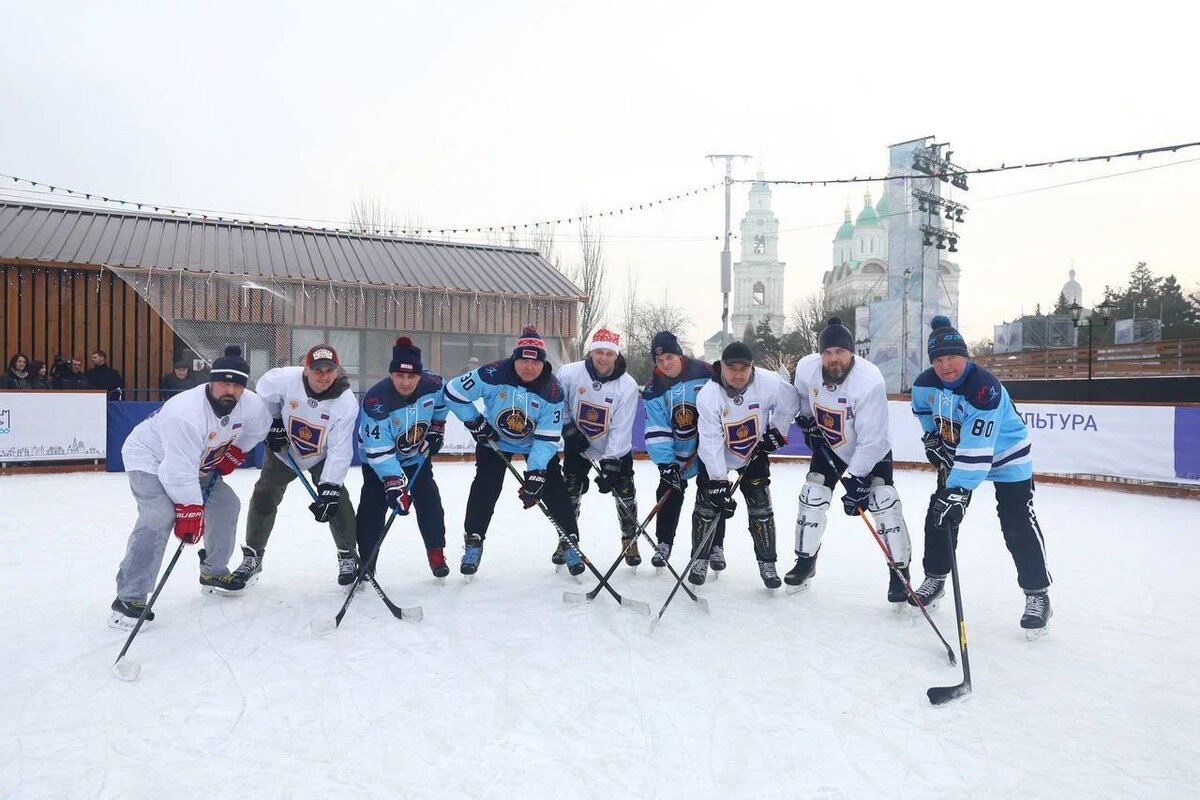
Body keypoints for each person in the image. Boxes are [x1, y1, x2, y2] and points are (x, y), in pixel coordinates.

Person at [910, 315, 1053, 635]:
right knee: (940, 514)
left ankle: (1037, 594)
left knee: (1016, 521)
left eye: (952, 357)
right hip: (959, 454)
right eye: (939, 359)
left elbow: (978, 447)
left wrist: (958, 489)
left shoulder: (983, 389)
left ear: (966, 356)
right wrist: (932, 437)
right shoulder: (924, 383)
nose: (946, 366)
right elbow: (922, 410)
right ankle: (935, 577)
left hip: (1006, 456)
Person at [110, 346, 270, 629]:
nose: (229, 390)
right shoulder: (185, 413)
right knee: (159, 515)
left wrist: (237, 452)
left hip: (197, 461)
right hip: (150, 458)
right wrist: (190, 510)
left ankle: (213, 572)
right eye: (223, 382)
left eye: (237, 384)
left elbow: (258, 428)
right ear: (210, 381)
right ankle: (128, 597)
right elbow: (176, 470)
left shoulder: (253, 405)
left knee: (226, 504)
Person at [788, 318, 912, 604]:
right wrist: (807, 419)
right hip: (830, 444)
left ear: (852, 353)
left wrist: (856, 478)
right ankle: (805, 562)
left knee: (883, 501)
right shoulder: (808, 367)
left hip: (871, 449)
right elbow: (802, 393)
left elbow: (874, 441)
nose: (833, 359)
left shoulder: (869, 382)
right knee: (812, 494)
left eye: (840, 352)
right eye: (827, 353)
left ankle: (900, 575)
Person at [444, 325, 580, 576]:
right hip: (494, 438)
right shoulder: (492, 373)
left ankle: (570, 541)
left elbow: (548, 437)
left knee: (554, 488)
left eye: (535, 361)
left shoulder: (553, 390)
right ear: (515, 358)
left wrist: (536, 472)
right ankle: (474, 541)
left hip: (534, 443)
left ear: (543, 363)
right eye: (524, 360)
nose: (530, 367)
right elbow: (452, 392)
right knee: (485, 486)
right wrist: (475, 421)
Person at [230, 344, 361, 587]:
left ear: (337, 371)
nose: (323, 376)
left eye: (329, 370)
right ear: (306, 370)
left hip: (320, 455)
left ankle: (348, 555)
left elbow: (340, 448)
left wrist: (330, 485)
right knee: (264, 494)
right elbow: (263, 391)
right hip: (285, 450)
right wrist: (274, 422)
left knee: (337, 500)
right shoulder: (284, 379)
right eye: (317, 370)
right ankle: (253, 555)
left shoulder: (345, 402)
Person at [694, 341, 800, 588]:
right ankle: (701, 557)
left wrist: (778, 431)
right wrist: (719, 481)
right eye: (732, 368)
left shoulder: (769, 382)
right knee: (707, 504)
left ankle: (768, 563)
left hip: (754, 449)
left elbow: (791, 402)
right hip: (718, 452)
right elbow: (710, 442)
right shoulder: (709, 395)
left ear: (752, 367)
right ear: (722, 367)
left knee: (761, 505)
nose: (738, 374)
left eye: (744, 368)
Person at [357, 337, 450, 578]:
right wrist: (394, 483)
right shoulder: (377, 400)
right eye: (399, 376)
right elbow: (378, 450)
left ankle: (436, 553)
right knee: (373, 506)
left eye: (411, 376)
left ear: (420, 376)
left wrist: (436, 429)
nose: (405, 382)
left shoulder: (434, 384)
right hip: (378, 462)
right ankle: (367, 562)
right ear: (391, 375)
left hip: (415, 457)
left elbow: (443, 402)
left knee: (429, 499)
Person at [555, 327, 642, 567]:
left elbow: (621, 427)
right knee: (570, 488)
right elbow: (558, 401)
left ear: (616, 356)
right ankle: (567, 539)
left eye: (609, 353)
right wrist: (569, 429)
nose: (603, 358)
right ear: (591, 352)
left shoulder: (627, 385)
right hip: (578, 444)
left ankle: (629, 540)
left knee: (624, 489)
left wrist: (611, 462)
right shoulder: (570, 373)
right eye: (599, 352)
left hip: (613, 446)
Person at [640, 331, 713, 570]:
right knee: (668, 489)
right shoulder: (653, 387)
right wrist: (666, 464)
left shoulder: (706, 373)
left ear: (679, 355)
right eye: (659, 360)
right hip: (676, 451)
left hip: (707, 449)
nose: (665, 364)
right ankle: (664, 543)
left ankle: (714, 546)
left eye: (669, 357)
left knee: (712, 494)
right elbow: (657, 427)